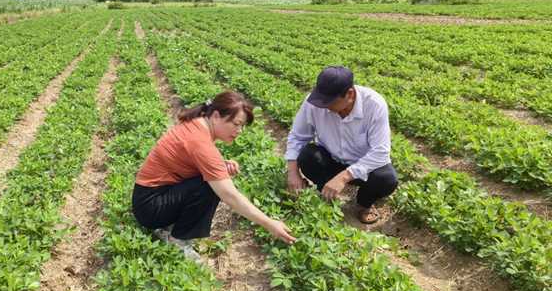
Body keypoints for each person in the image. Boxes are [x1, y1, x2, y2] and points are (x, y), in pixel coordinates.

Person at [132, 91, 297, 264]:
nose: (239, 131)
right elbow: (230, 196)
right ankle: (175, 240)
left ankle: (167, 229)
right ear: (216, 115)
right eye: (235, 123)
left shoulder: (197, 123)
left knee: (212, 179)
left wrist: (220, 164)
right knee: (209, 186)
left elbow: (190, 158)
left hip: (149, 197)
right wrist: (270, 224)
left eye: (242, 126)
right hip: (150, 207)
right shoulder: (200, 143)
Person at [285, 66, 398, 224]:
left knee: (387, 179)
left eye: (330, 102)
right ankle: (326, 193)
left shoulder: (374, 105)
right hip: (330, 160)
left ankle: (365, 203)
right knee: (307, 155)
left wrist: (343, 178)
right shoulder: (314, 103)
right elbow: (298, 136)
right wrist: (292, 173)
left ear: (350, 94)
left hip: (361, 168)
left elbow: (380, 153)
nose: (323, 106)